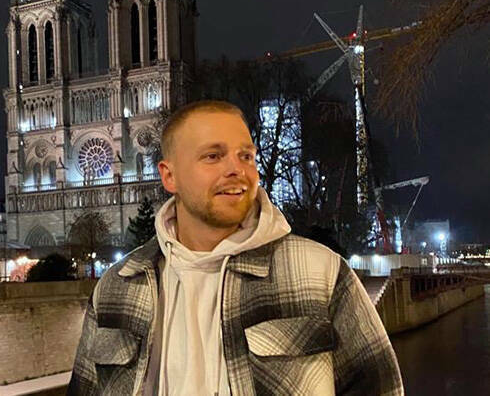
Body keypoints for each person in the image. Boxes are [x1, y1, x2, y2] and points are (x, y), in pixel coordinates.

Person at [68, 100, 404, 395]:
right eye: (213, 156)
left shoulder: (320, 273)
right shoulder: (115, 287)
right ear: (169, 176)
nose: (237, 169)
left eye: (246, 155)